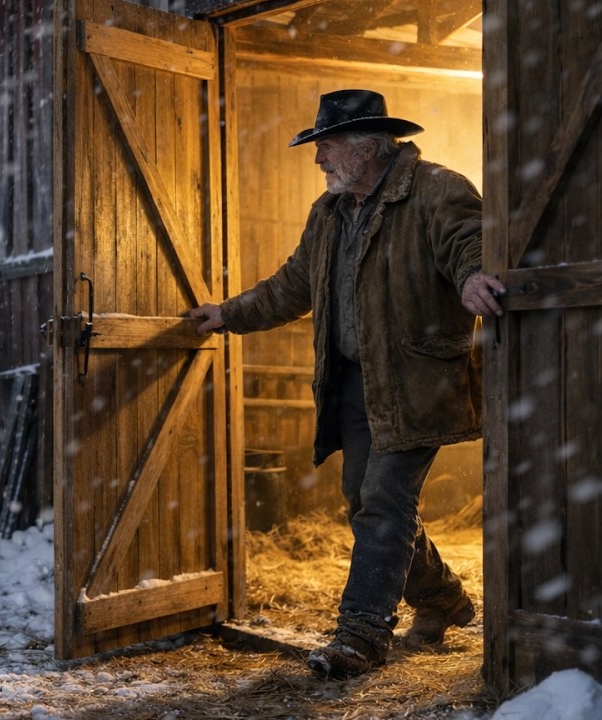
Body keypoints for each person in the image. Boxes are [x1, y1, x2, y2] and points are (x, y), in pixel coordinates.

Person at [189, 89, 505, 679]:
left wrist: (470, 279)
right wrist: (227, 315)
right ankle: (442, 599)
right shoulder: (329, 214)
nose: (318, 160)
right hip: (355, 384)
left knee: (385, 501)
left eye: (326, 147)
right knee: (363, 498)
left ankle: (360, 635)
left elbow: (471, 241)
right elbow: (292, 286)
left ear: (367, 145)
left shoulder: (437, 189)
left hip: (415, 379)